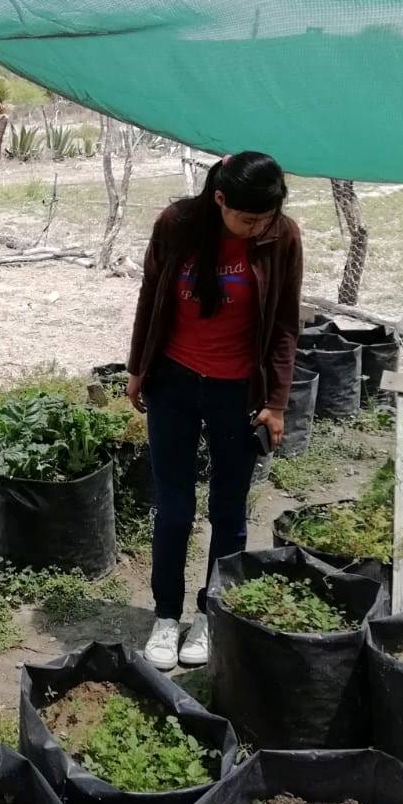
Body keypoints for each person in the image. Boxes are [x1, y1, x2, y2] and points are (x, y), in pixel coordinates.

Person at [126, 151, 302, 670]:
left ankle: (209, 611)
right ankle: (165, 615)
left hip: (237, 393)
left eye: (265, 219)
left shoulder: (282, 237)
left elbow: (286, 325)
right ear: (219, 199)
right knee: (174, 507)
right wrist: (138, 368)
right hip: (173, 383)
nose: (256, 229)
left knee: (229, 508)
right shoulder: (177, 224)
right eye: (247, 219)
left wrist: (275, 402)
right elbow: (150, 296)